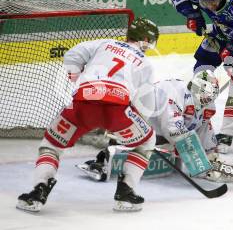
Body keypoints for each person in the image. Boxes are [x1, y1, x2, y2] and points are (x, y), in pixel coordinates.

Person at [16, 17, 160, 212]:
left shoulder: (105, 44)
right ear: (146, 39)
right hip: (117, 111)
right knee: (147, 142)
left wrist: (77, 79)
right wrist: (133, 124)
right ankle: (126, 193)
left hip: (82, 105)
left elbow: (72, 56)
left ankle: (38, 191)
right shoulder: (146, 63)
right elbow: (147, 108)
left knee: (52, 144)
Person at [78, 71, 221, 182]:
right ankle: (104, 153)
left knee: (167, 150)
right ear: (196, 88)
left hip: (159, 134)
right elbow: (172, 129)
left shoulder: (205, 104)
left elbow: (203, 127)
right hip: (136, 122)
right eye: (206, 95)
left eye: (211, 96)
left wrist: (209, 153)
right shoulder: (173, 92)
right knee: (140, 149)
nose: (209, 99)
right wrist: (194, 157)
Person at [172, 0, 233, 154]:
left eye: (214, 0)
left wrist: (232, 50)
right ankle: (198, 115)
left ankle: (230, 133)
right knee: (203, 67)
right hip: (219, 34)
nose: (211, 5)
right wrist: (193, 14)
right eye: (206, 2)